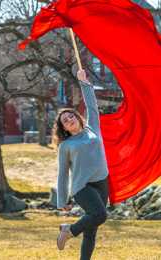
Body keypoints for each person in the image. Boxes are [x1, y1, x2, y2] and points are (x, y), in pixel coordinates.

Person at [52, 70, 109, 260]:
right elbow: (62, 173)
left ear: (77, 116)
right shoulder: (66, 145)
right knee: (100, 215)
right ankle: (68, 231)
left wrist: (84, 82)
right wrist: (62, 200)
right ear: (64, 128)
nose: (69, 120)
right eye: (65, 121)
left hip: (102, 182)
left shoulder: (93, 128)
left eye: (71, 116)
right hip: (82, 187)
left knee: (91, 230)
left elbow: (92, 106)